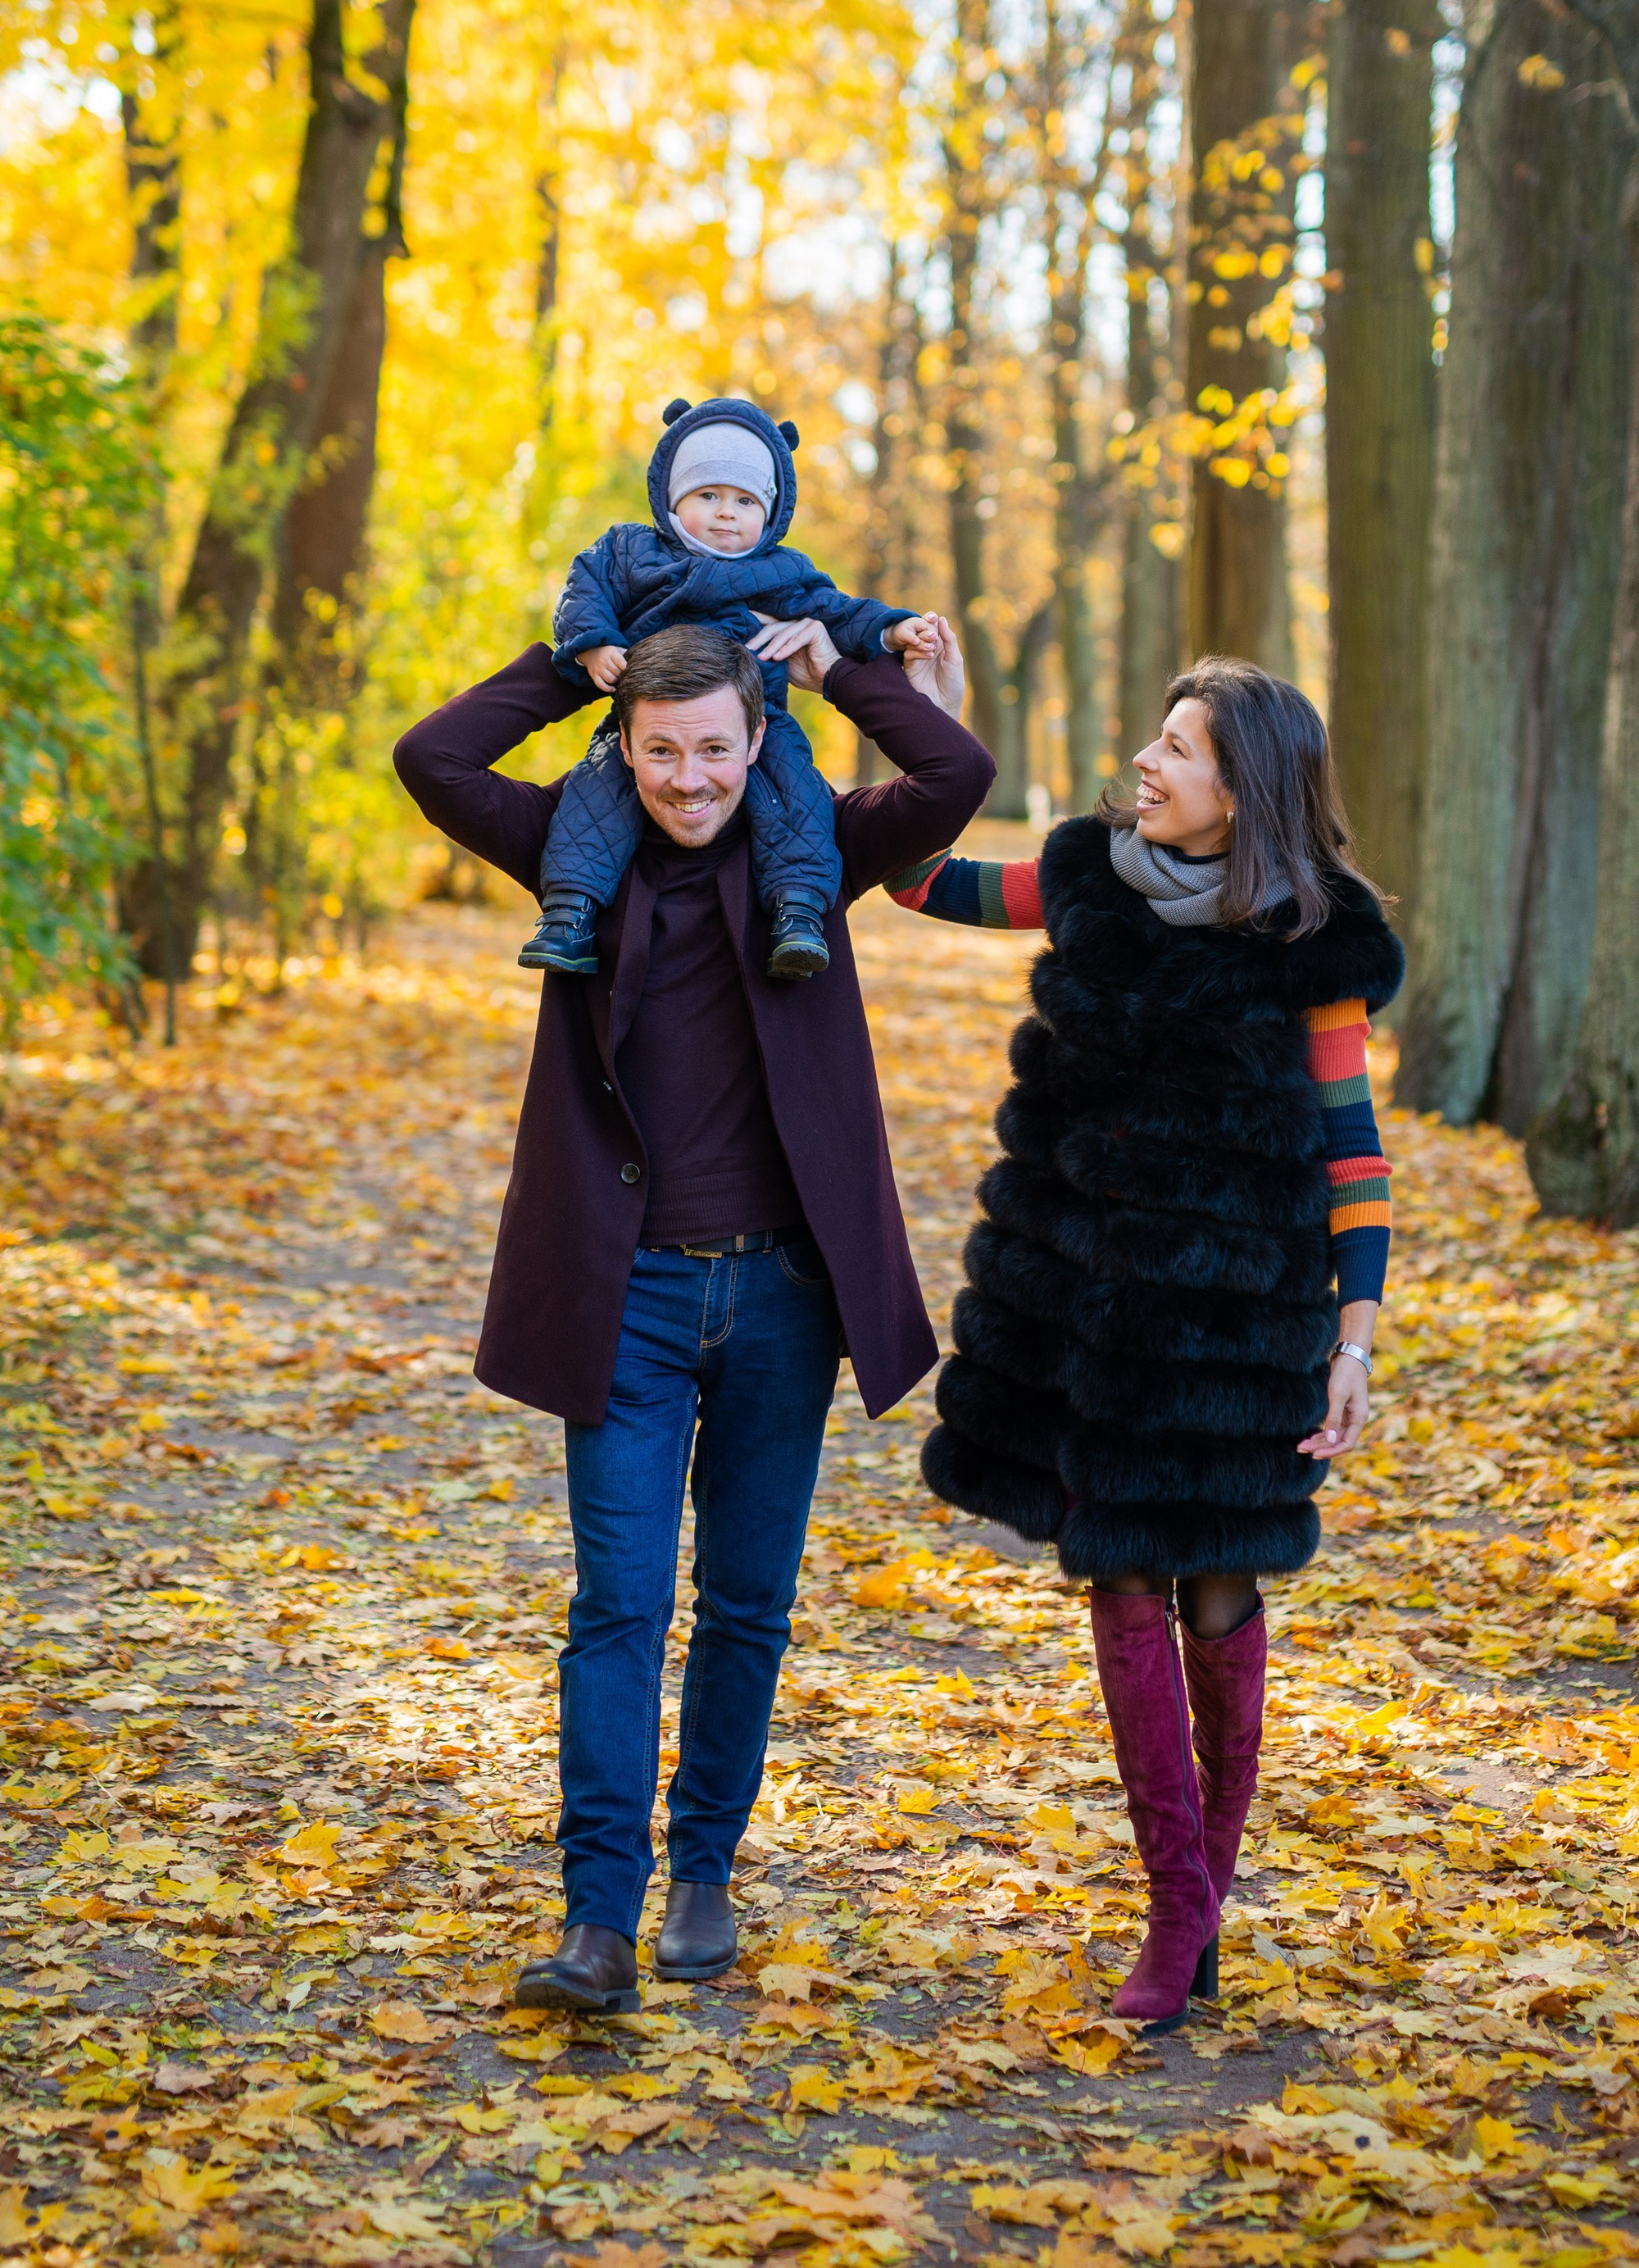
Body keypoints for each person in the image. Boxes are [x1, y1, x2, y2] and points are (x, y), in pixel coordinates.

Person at [392, 613, 992, 2013]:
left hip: (783, 1292)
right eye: (661, 753)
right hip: (629, 1296)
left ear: (755, 739)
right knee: (618, 1603)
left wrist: (838, 669)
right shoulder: (570, 846)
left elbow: (953, 775)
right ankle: (596, 1917)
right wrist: (568, 662)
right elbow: (432, 754)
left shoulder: (814, 852)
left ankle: (703, 1871)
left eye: (714, 748)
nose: (689, 779)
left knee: (747, 1605)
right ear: (627, 744)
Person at [889, 658, 1403, 2031]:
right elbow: (917, 877)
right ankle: (1180, 1910)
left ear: (1246, 788)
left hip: (1244, 1325)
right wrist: (925, 722)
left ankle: (1201, 1904)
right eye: (1156, 739)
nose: (1146, 761)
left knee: (1218, 1590)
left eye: (1177, 748)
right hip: (1092, 1316)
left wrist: (1354, 1345)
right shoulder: (1088, 881)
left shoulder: (1313, 938)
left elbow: (1353, 1156)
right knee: (1115, 1576)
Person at [519, 394, 942, 984]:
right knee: (596, 789)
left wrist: (894, 627)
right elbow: (583, 585)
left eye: (745, 501)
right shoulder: (631, 552)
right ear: (672, 498)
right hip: (650, 721)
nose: (725, 513)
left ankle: (797, 912)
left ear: (768, 514)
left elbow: (838, 612)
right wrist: (591, 643)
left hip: (758, 717)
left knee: (798, 794)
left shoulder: (783, 573)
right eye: (708, 495)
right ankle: (569, 911)